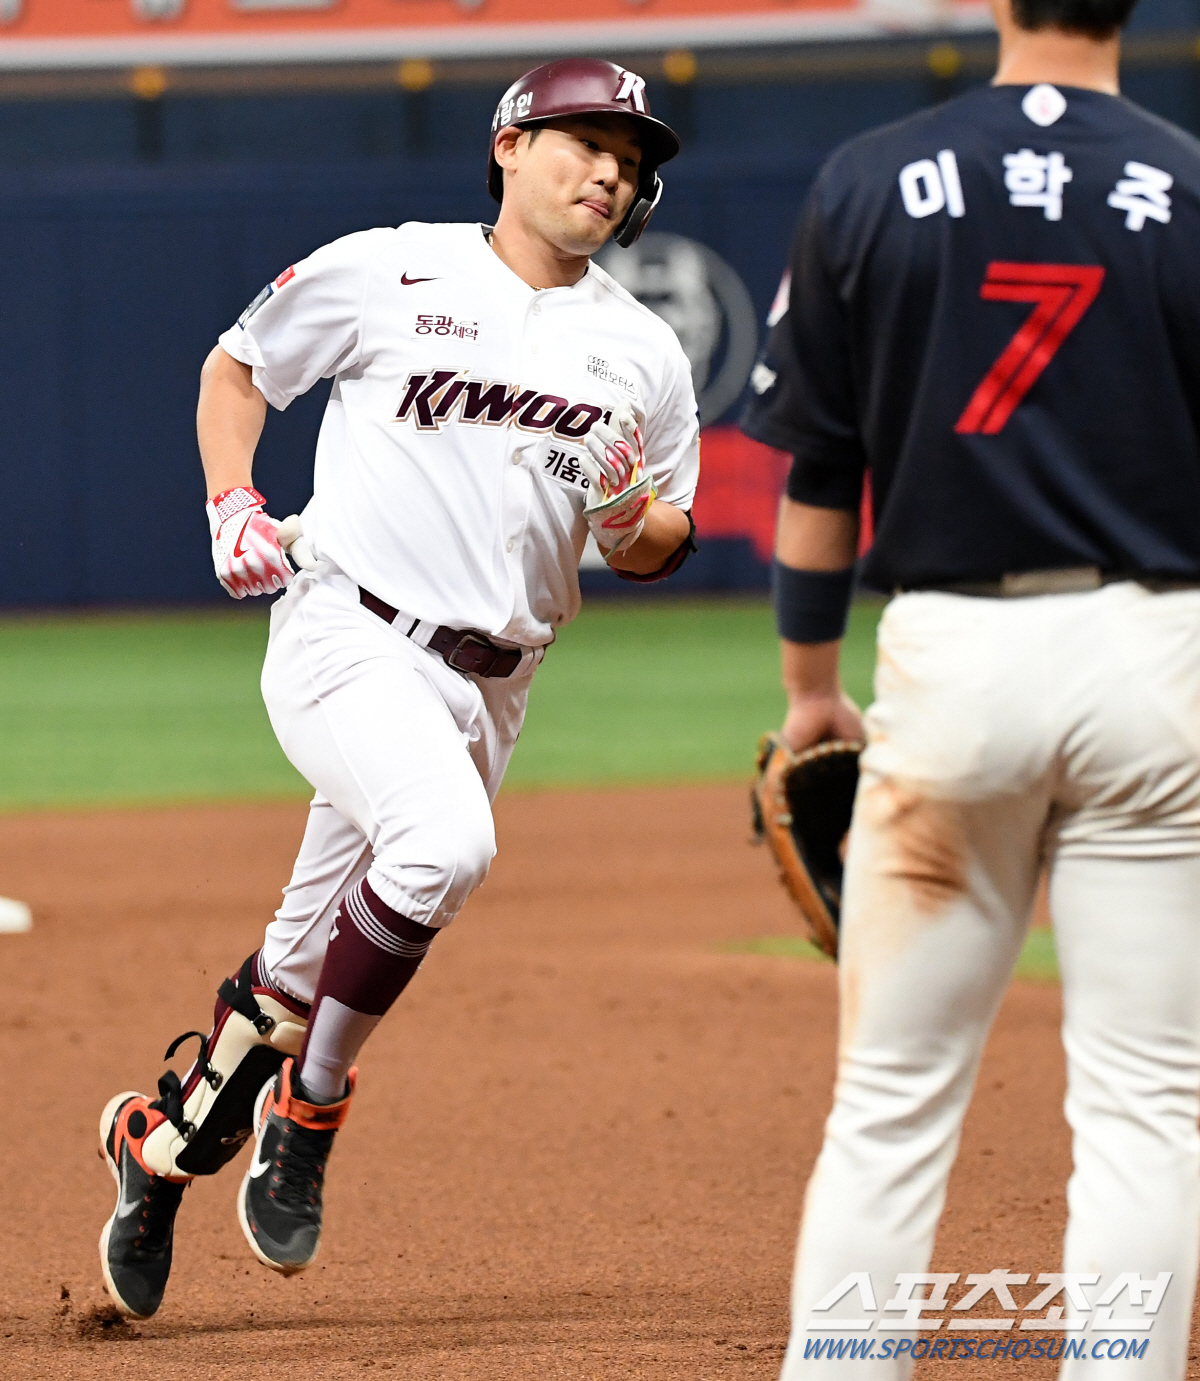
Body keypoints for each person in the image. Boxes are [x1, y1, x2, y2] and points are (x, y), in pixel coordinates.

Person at [97, 57, 699, 1322]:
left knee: (300, 967)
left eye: (631, 161)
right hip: (347, 632)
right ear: (508, 146)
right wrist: (231, 503)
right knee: (443, 845)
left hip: (495, 685)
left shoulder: (640, 348)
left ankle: (158, 1146)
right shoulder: (392, 266)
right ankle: (311, 1110)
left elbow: (661, 542)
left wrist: (631, 509)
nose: (609, 172)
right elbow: (237, 367)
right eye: (584, 142)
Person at [741, 0, 1200, 1373]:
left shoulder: (872, 179)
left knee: (890, 1100)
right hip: (1157, 658)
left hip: (950, 663)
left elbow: (819, 473)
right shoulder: (1187, 179)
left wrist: (812, 690)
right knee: (1147, 1104)